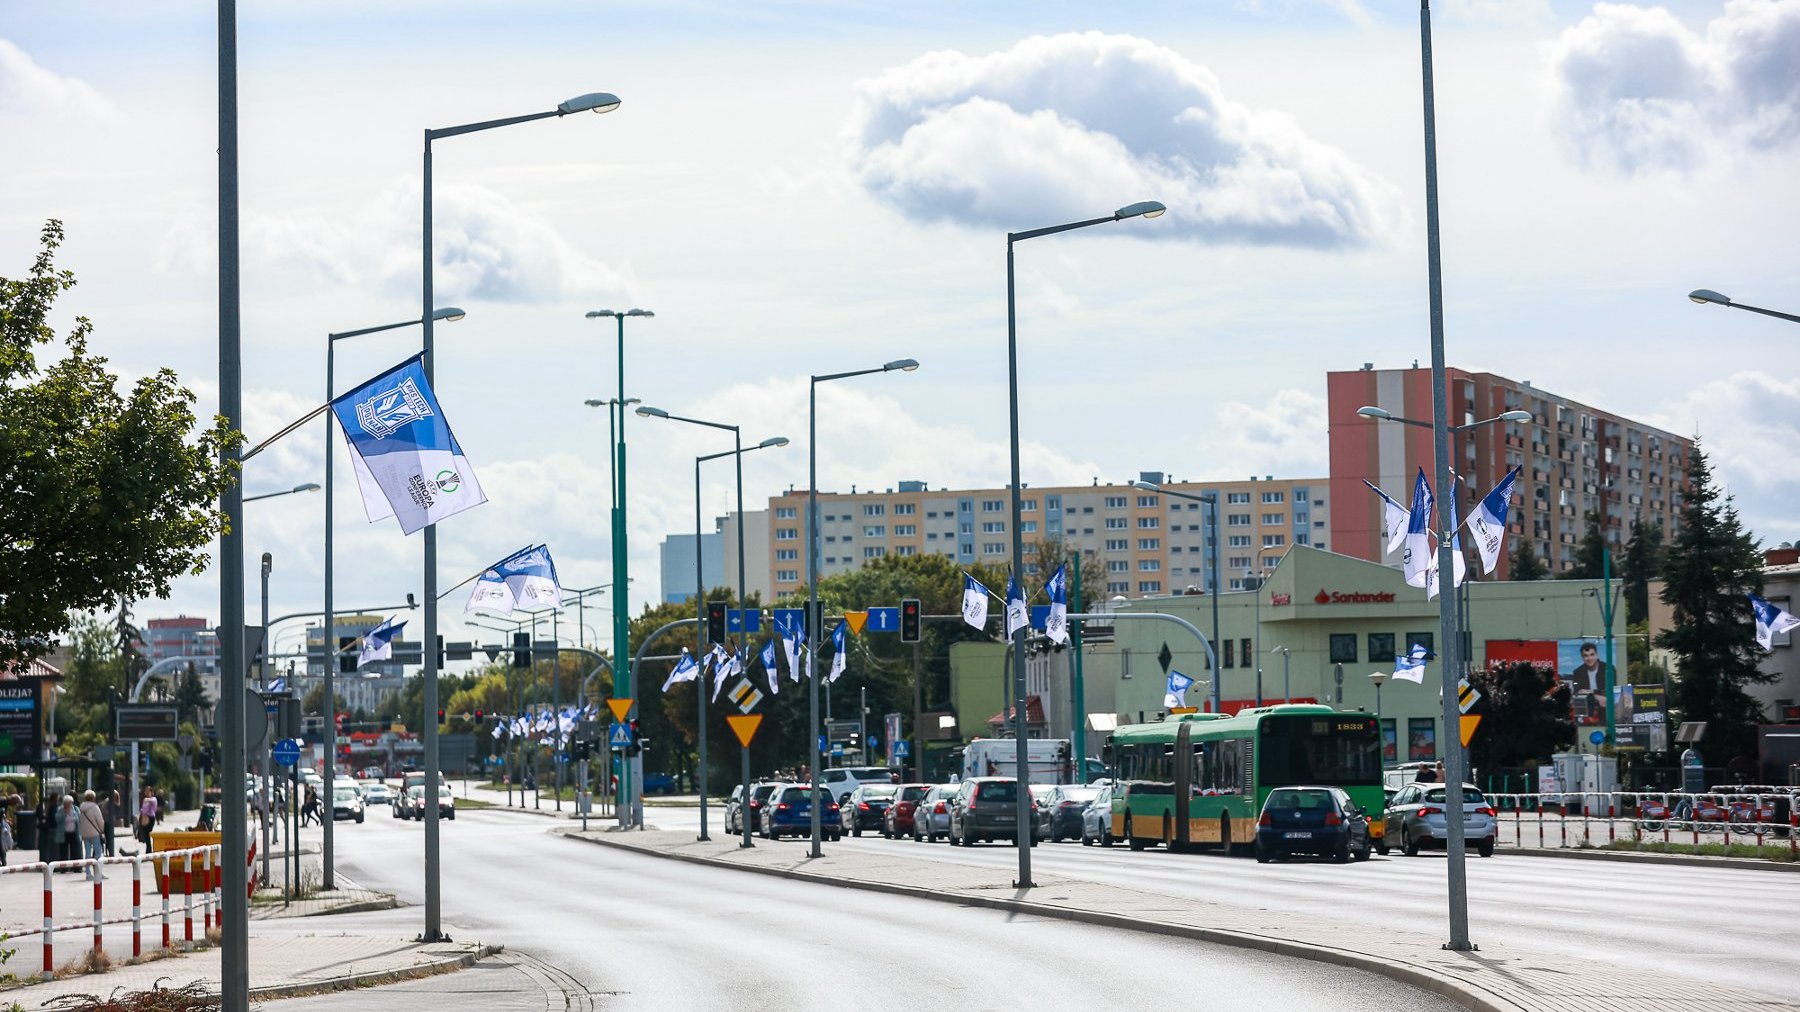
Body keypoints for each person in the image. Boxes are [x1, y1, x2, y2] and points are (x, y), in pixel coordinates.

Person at [1564, 641, 1611, 726]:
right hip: (1588, 707)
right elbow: (1579, 691)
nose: (1589, 658)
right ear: (1582, 657)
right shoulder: (1578, 672)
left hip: (1606, 707)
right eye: (1586, 656)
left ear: (1597, 655)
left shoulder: (1608, 669)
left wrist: (1590, 691)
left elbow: (1610, 689)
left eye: (1592, 655)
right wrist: (1596, 695)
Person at [78, 790, 107, 880]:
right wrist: (102, 830)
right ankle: (98, 872)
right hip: (94, 833)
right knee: (98, 853)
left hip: (85, 833)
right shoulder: (95, 807)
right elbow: (100, 820)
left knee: (87, 853)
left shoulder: (81, 808)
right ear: (93, 798)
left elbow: (80, 821)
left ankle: (88, 873)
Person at [59, 794, 81, 866]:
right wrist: (65, 814)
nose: (69, 805)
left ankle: (76, 867)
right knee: (63, 851)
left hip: (74, 833)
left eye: (70, 803)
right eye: (67, 803)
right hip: (64, 833)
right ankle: (64, 867)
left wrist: (71, 817)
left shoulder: (75, 809)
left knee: (75, 850)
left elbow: (78, 818)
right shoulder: (60, 809)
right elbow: (58, 819)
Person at [103, 790, 119, 857]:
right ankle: (107, 851)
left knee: (110, 837)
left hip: (110, 821)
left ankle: (109, 851)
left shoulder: (114, 801)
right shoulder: (107, 801)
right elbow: (103, 809)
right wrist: (110, 813)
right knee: (108, 837)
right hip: (107, 821)